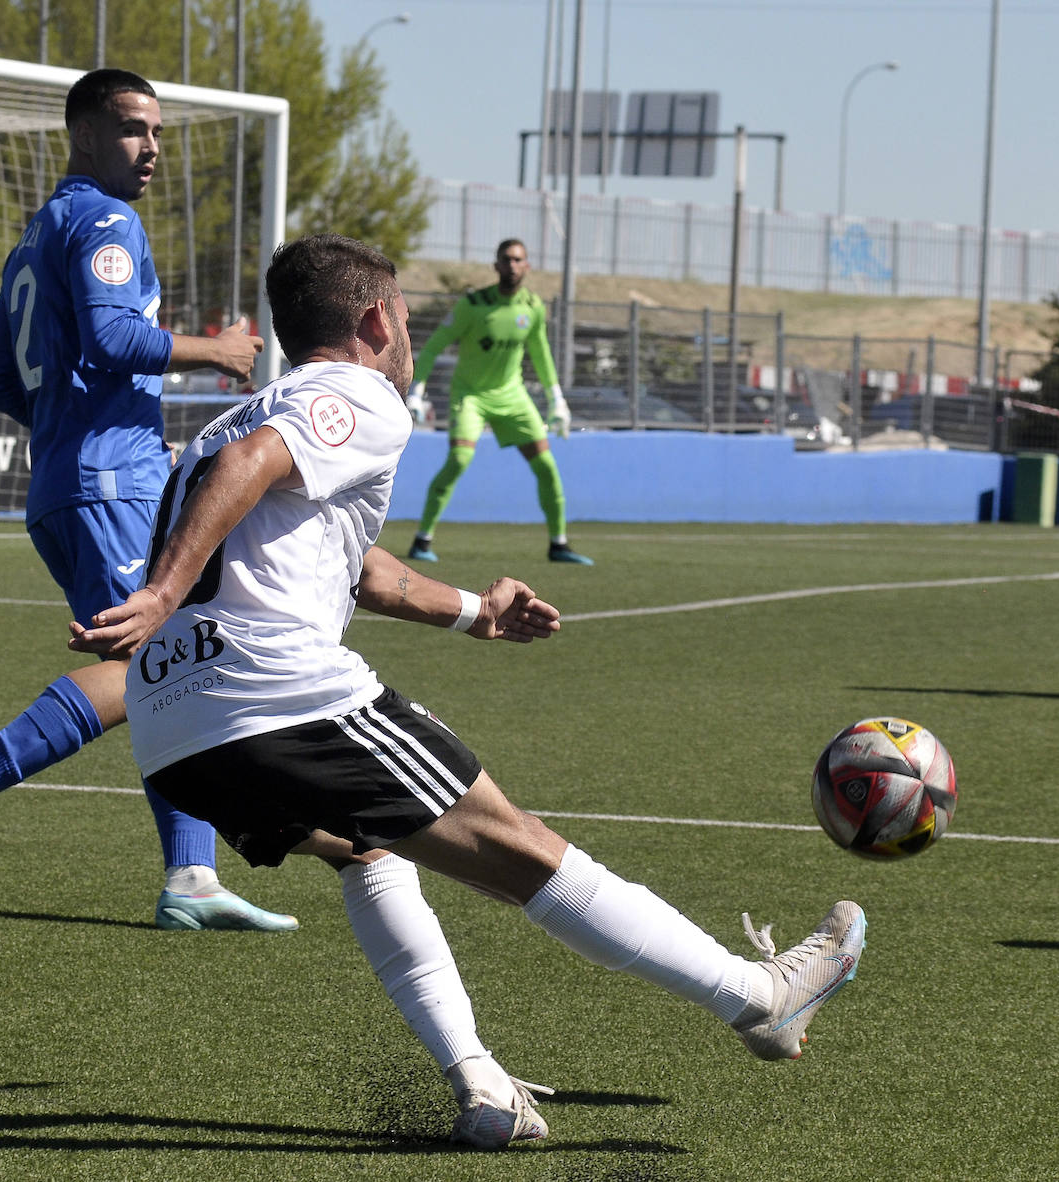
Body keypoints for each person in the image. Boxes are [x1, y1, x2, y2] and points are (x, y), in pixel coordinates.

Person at [69, 233, 868, 1141]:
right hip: (275, 691)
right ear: (375, 320)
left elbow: (356, 569)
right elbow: (258, 462)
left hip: (175, 735)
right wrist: (164, 589)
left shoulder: (240, 415)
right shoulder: (356, 392)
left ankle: (483, 1086)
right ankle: (758, 998)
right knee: (520, 847)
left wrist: (472, 612)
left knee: (369, 851)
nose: (409, 336)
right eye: (406, 316)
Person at [0, 67, 295, 932]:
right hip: (107, 484)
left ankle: (191, 880)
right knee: (146, 663)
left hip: (71, 483)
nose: (150, 147)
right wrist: (220, 350)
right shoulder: (106, 220)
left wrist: (79, 427)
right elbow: (117, 335)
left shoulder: (35, 235)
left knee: (173, 664)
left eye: (156, 130)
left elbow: (0, 382)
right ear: (83, 135)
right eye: (131, 128)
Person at [403, 238, 594, 566]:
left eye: (519, 259)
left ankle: (559, 544)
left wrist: (557, 400)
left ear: (528, 266)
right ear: (496, 265)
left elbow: (541, 353)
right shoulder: (473, 305)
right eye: (506, 259)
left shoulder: (533, 307)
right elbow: (433, 346)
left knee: (547, 466)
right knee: (460, 460)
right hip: (471, 396)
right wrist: (416, 390)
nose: (512, 265)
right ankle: (422, 540)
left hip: (513, 395)